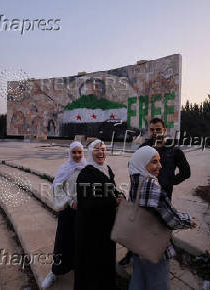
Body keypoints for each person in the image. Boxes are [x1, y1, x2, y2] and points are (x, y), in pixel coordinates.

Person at [120, 117, 191, 265]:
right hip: (142, 195)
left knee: (161, 225)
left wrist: (170, 182)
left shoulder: (174, 149)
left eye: (158, 129)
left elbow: (186, 172)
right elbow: (133, 166)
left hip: (162, 196)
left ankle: (161, 254)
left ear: (164, 130)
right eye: (152, 129)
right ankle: (132, 254)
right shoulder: (144, 148)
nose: (155, 132)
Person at [127, 145, 195, 290]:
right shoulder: (151, 183)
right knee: (159, 283)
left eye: (159, 161)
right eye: (154, 162)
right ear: (142, 162)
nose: (160, 166)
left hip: (137, 241)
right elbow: (170, 217)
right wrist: (188, 220)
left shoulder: (136, 177)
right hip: (154, 245)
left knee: (138, 280)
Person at [74, 139, 123, 290]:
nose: (101, 152)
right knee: (92, 263)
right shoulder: (85, 174)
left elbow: (111, 189)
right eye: (96, 149)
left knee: (106, 260)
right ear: (90, 153)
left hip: (106, 226)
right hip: (91, 230)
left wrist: (120, 196)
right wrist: (113, 201)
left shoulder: (107, 169)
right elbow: (87, 203)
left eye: (103, 149)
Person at [41, 141, 86, 288]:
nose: (77, 155)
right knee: (62, 241)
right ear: (70, 153)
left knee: (79, 241)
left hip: (82, 212)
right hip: (68, 211)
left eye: (80, 152)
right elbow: (57, 188)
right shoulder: (65, 169)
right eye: (74, 152)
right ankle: (55, 271)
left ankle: (75, 267)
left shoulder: (87, 168)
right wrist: (69, 202)